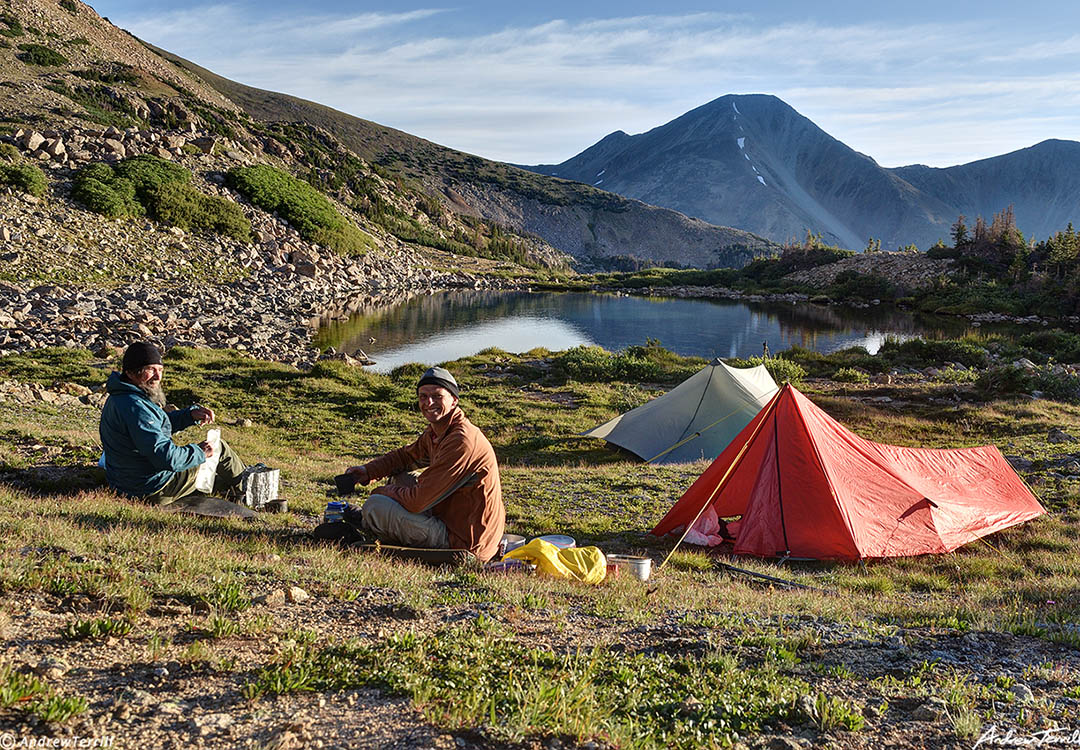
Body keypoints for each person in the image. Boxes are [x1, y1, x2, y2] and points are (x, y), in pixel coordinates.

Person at [343, 366, 504, 562]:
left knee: (376, 505)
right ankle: (376, 522)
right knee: (400, 477)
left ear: (454, 400)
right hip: (455, 517)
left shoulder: (461, 440)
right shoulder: (439, 430)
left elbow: (417, 501)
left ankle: (372, 521)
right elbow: (405, 458)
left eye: (437, 397)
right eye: (423, 396)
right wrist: (368, 471)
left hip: (465, 542)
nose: (428, 403)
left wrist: (383, 491)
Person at [99, 342, 246, 503]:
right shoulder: (136, 407)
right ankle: (250, 492)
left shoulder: (121, 396)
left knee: (216, 477)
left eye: (160, 370)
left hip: (126, 482)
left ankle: (234, 489)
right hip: (152, 488)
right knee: (218, 447)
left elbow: (153, 426)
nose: (158, 376)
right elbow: (166, 457)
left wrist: (189, 415)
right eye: (151, 370)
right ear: (131, 373)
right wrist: (199, 452)